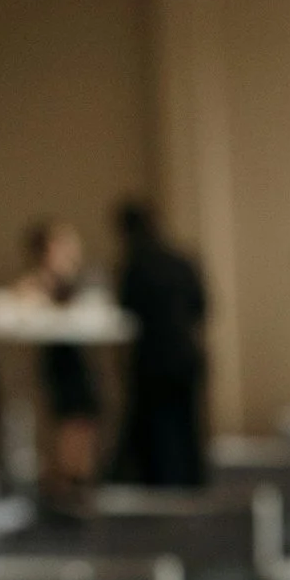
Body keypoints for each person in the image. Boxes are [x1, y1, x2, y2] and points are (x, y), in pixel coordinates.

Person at [111, 200, 209, 486]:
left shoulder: (135, 265)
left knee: (157, 428)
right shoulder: (183, 260)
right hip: (187, 353)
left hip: (153, 356)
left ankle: (163, 482)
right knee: (187, 424)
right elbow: (201, 307)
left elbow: (127, 313)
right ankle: (191, 481)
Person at [16, 218, 103, 487]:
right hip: (59, 358)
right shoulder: (38, 280)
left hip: (80, 357)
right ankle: (63, 480)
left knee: (86, 417)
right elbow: (23, 303)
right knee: (68, 420)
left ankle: (80, 477)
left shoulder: (80, 280)